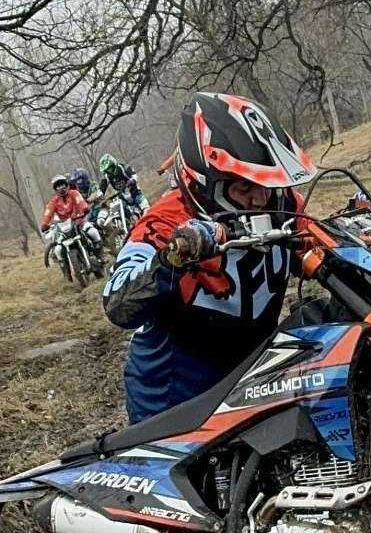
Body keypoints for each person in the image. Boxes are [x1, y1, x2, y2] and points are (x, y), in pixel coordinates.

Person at [103, 93, 312, 420]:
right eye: (243, 187)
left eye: (265, 182)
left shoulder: (281, 202)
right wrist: (174, 255)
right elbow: (117, 302)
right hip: (173, 395)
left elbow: (318, 247)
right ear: (204, 184)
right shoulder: (163, 222)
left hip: (253, 372)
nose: (259, 199)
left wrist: (359, 223)